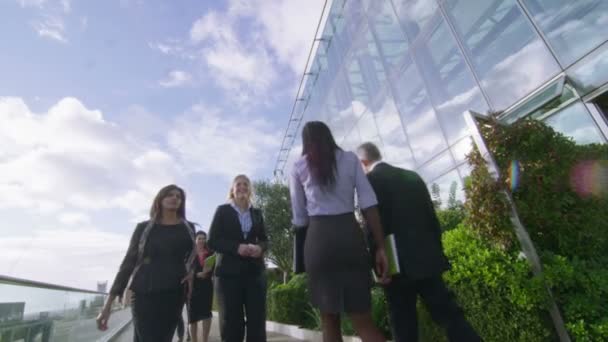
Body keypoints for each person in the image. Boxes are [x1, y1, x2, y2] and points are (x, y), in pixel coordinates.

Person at [356, 142, 481, 342]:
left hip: (397, 265)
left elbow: (372, 226)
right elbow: (432, 220)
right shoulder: (412, 177)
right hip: (428, 259)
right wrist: (437, 252)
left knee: (404, 326)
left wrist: (377, 265)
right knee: (451, 317)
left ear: (363, 162)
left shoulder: (370, 181)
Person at [289, 121, 389, 342]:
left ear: (306, 142)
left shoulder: (298, 167)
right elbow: (369, 204)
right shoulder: (351, 159)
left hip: (318, 242)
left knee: (329, 321)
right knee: (363, 320)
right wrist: (381, 247)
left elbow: (299, 218)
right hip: (350, 238)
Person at [96, 184, 197, 342]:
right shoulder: (144, 228)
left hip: (175, 294)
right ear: (160, 199)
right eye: (169, 195)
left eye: (178, 197)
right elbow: (128, 264)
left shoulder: (189, 228)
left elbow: (194, 257)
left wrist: (191, 272)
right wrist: (108, 305)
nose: (174, 198)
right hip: (144, 293)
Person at [207, 174, 268, 342]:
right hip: (228, 276)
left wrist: (259, 248)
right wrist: (236, 247)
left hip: (255, 274)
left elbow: (264, 240)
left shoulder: (257, 213)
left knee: (257, 320)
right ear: (232, 190)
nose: (242, 187)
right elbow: (212, 241)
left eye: (246, 184)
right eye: (238, 184)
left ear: (250, 190)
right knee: (232, 322)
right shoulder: (222, 210)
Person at [189, 231, 215, 342]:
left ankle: (205, 340)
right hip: (192, 288)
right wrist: (196, 274)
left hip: (206, 287)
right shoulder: (190, 254)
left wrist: (207, 273)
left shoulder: (210, 254)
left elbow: (214, 268)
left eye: (204, 238)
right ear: (195, 240)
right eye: (199, 238)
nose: (202, 240)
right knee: (192, 318)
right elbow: (185, 270)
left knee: (206, 315)